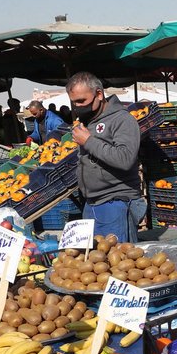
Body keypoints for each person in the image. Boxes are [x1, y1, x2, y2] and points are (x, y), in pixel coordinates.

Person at [67, 72, 146, 243]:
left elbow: (125, 159)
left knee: (118, 262)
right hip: (92, 203)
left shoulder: (122, 120)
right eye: (74, 102)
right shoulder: (89, 120)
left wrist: (88, 141)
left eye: (82, 101)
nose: (77, 106)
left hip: (115, 202)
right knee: (96, 265)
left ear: (99, 94)